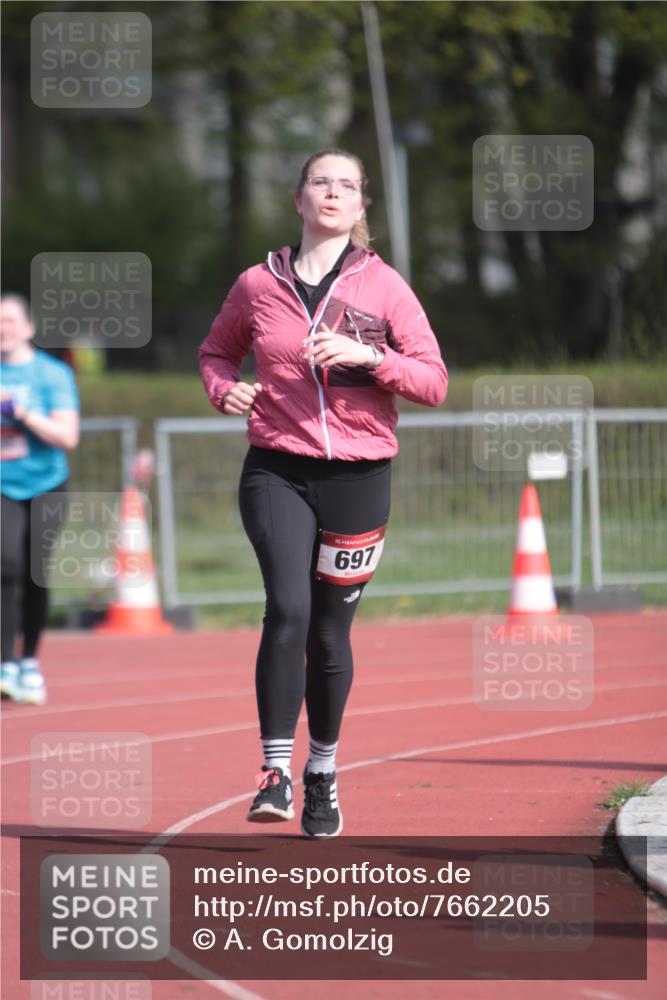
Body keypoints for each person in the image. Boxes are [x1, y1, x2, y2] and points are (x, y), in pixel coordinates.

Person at [199, 148, 447, 837]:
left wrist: (372, 358)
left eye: (346, 185)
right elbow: (216, 353)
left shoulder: (385, 287)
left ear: (361, 205)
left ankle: (322, 771)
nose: (332, 193)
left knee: (330, 634)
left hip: (360, 479)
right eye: (320, 182)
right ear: (298, 198)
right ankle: (273, 770)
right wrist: (225, 389)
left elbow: (432, 381)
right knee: (287, 608)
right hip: (276, 466)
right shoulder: (257, 284)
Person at [0, 294, 79, 705]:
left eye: (9, 320)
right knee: (5, 563)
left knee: (35, 572)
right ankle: (4, 662)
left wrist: (22, 414)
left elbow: (68, 436)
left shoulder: (51, 375)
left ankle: (28, 660)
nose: (2, 328)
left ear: (28, 328)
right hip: (2, 486)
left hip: (46, 483)